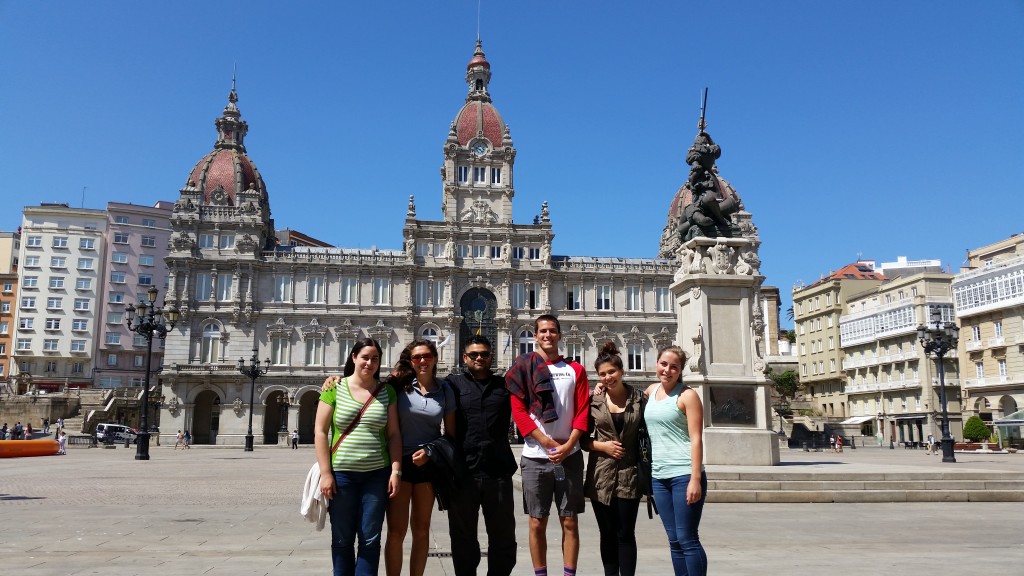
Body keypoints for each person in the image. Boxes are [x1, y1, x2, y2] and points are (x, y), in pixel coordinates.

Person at [507, 314, 589, 576]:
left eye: (552, 331)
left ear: (559, 335)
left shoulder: (575, 369)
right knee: (536, 522)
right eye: (542, 331)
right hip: (534, 456)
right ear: (535, 335)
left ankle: (568, 574)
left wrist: (569, 445)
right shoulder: (523, 368)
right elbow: (518, 411)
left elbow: (582, 411)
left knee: (570, 522)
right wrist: (546, 441)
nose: (547, 335)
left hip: (570, 455)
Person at [315, 338, 402, 576]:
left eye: (375, 359)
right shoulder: (334, 388)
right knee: (342, 538)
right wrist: (325, 473)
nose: (370, 363)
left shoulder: (387, 391)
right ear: (353, 357)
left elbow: (394, 434)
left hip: (377, 475)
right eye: (365, 357)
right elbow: (320, 432)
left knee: (370, 539)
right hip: (342, 475)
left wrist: (395, 471)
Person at [383, 340, 456, 576]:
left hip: (427, 463)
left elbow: (451, 434)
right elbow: (367, 386)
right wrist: (338, 379)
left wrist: (430, 452)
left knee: (422, 529)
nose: (422, 361)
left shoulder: (444, 390)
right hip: (399, 462)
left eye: (426, 356)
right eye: (417, 357)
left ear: (435, 358)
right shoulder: (399, 385)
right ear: (410, 361)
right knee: (396, 531)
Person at [446, 335, 518, 576]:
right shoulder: (452, 385)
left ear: (491, 356)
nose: (479, 358)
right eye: (474, 354)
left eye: (484, 354)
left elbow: (538, 384)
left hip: (497, 472)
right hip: (463, 473)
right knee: (463, 536)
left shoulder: (505, 385)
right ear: (464, 357)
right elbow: (418, 384)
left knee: (503, 535)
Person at [581, 342, 645, 576]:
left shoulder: (639, 399)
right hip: (601, 475)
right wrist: (603, 446)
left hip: (629, 474)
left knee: (626, 534)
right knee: (607, 533)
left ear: (621, 371)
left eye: (612, 372)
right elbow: (582, 439)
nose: (608, 377)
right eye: (602, 374)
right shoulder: (593, 402)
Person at [645, 345, 707, 576]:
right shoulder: (651, 391)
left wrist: (695, 479)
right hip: (659, 476)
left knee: (687, 538)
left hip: (684, 474)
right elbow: (624, 395)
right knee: (673, 540)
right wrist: (602, 385)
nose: (667, 370)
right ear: (657, 364)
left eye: (674, 367)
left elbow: (696, 438)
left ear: (680, 371)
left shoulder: (687, 395)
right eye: (664, 364)